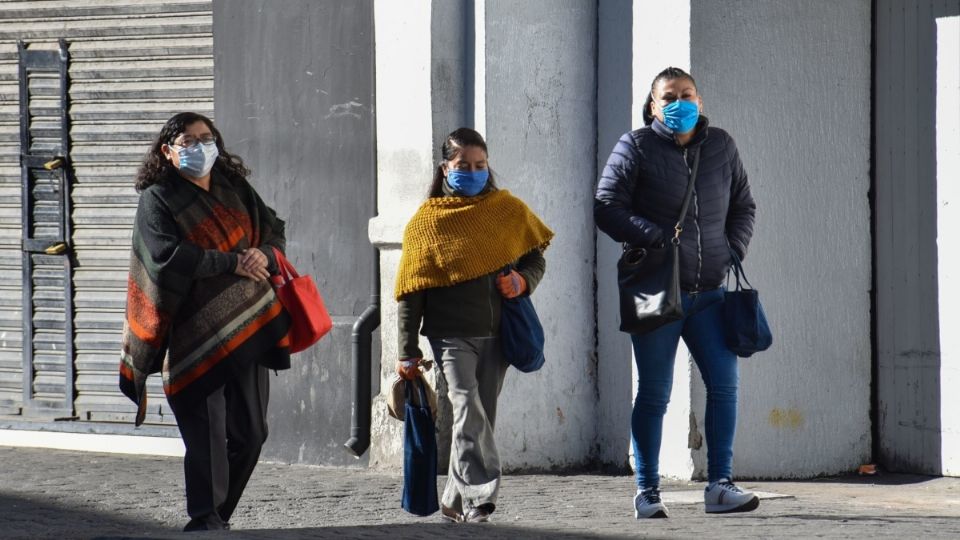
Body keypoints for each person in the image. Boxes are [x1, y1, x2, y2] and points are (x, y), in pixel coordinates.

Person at [594, 67, 758, 519]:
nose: (679, 102)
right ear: (653, 105)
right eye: (669, 96)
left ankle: (720, 485)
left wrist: (732, 249)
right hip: (657, 293)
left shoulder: (721, 146)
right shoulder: (636, 146)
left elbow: (743, 204)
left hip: (710, 293)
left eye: (687, 94)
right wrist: (656, 237)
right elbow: (606, 206)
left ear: (700, 101)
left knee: (725, 386)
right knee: (654, 393)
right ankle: (647, 490)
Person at [120, 112, 291, 531]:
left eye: (206, 137)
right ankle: (205, 517)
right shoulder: (158, 198)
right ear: (169, 151)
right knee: (207, 437)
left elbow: (275, 231)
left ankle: (217, 514)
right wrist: (232, 262)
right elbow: (165, 256)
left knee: (252, 434)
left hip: (249, 325)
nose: (200, 146)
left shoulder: (235, 190)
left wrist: (263, 255)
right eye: (189, 141)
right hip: (190, 334)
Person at [394, 128, 553, 523]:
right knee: (466, 408)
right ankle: (481, 499)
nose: (472, 171)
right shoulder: (425, 224)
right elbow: (411, 292)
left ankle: (452, 496)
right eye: (463, 165)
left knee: (482, 418)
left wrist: (522, 282)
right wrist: (406, 350)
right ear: (445, 168)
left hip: (498, 332)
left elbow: (535, 260)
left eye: (480, 165)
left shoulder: (507, 210)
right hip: (449, 335)